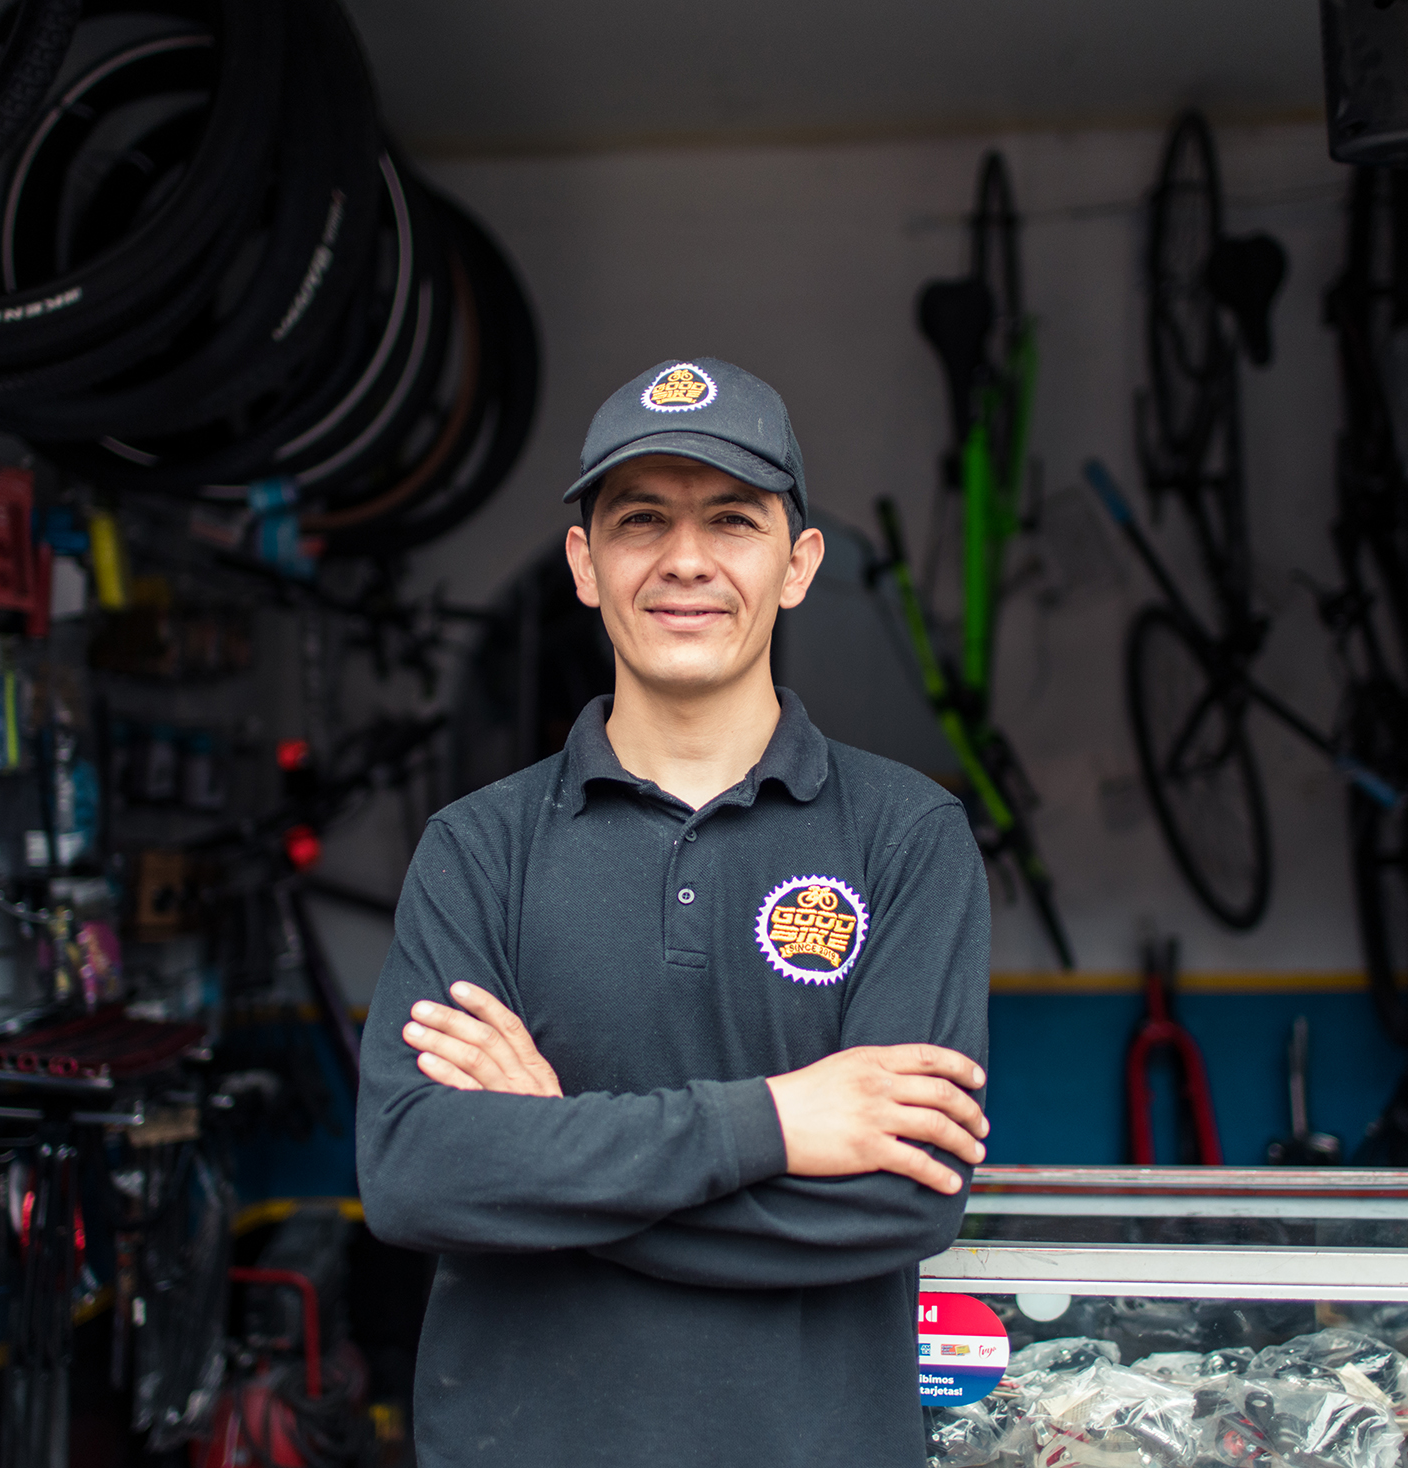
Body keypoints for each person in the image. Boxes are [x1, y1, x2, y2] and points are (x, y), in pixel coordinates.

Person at [357, 357, 993, 1466]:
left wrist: (550, 1154)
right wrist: (773, 1124)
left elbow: (900, 1200)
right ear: (583, 564)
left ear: (797, 565)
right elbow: (417, 1178)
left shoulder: (907, 837)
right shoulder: (478, 848)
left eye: (732, 521)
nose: (685, 560)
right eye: (640, 518)